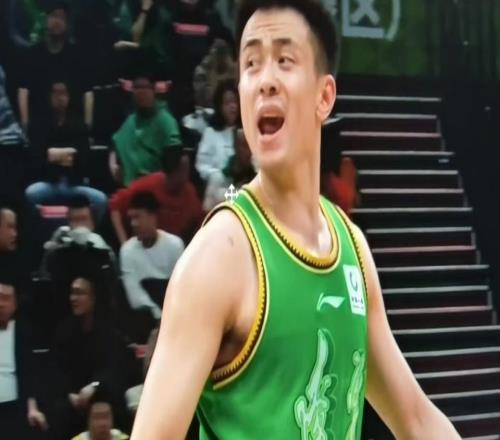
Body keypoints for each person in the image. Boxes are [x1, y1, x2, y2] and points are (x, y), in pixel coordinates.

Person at [132, 0, 461, 439]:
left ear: (324, 97)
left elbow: (416, 419)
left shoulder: (353, 249)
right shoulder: (217, 257)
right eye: (251, 64)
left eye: (284, 60)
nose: (264, 80)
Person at [52, 275, 130, 438]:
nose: (74, 298)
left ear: (93, 298)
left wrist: (94, 386)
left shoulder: (108, 331)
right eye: (72, 293)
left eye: (80, 293)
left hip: (101, 392)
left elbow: (113, 367)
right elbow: (58, 371)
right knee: (59, 409)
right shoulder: (64, 331)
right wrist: (70, 395)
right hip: (74, 397)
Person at [25, 81, 108, 229]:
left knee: (100, 199)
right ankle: (41, 233)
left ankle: (89, 234)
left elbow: (82, 157)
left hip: (73, 185)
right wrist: (67, 154)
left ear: (69, 96)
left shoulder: (78, 123)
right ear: (50, 96)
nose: (60, 97)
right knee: (30, 194)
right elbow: (39, 156)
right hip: (49, 184)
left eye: (63, 93)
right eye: (56, 93)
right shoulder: (40, 123)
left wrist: (54, 154)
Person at [17, 2, 91, 131]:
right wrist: (25, 123)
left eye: (61, 17)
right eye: (53, 16)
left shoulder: (77, 55)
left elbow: (88, 91)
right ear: (45, 19)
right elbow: (23, 90)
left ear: (67, 24)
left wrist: (88, 124)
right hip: (40, 123)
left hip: (72, 123)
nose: (57, 21)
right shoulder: (33, 54)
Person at [110, 146, 204, 245]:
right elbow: (115, 206)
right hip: (145, 246)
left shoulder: (190, 192)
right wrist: (124, 244)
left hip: (175, 248)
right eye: (183, 170)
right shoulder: (146, 186)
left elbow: (201, 221)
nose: (187, 174)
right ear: (172, 171)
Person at [121, 192, 184, 320]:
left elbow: (180, 286)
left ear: (153, 217)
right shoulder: (127, 250)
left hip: (173, 309)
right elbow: (134, 293)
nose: (133, 224)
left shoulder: (174, 244)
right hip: (144, 316)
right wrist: (158, 316)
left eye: (137, 217)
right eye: (131, 219)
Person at [111, 73, 181, 186]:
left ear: (153, 91)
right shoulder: (130, 120)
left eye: (145, 88)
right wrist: (113, 166)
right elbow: (115, 143)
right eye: (137, 88)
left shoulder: (165, 119)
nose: (141, 93)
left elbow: (174, 153)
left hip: (155, 187)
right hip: (128, 186)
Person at [0, 281, 48, 438]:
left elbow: (29, 372)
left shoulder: (22, 331)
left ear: (14, 305)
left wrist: (32, 408)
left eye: (6, 298)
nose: (1, 304)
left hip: (13, 407)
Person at [195, 79, 240, 181]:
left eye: (235, 101)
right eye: (227, 103)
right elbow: (202, 166)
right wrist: (220, 174)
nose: (232, 106)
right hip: (219, 186)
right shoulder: (210, 133)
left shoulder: (245, 131)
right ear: (220, 107)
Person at [203, 128, 255, 210]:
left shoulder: (258, 178)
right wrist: (233, 194)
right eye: (244, 146)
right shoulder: (218, 178)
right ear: (235, 146)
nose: (249, 152)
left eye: (251, 146)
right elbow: (207, 208)